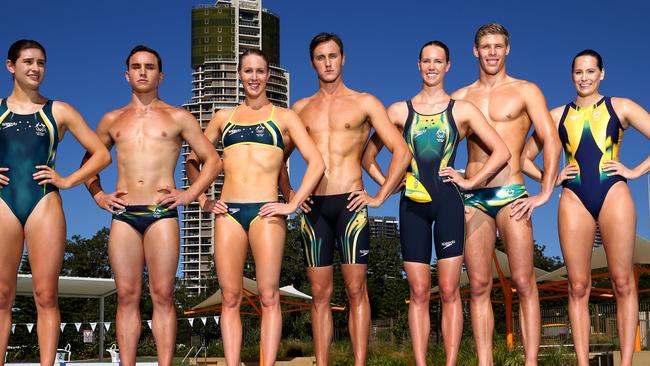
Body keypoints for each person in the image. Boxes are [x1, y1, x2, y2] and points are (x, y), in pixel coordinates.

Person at [362, 40, 510, 366]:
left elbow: (502, 152)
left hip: (448, 203)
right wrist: (388, 187)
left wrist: (471, 182)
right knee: (417, 291)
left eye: (438, 61)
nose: (432, 67)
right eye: (426, 61)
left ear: (448, 66)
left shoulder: (462, 110)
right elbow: (368, 156)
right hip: (412, 206)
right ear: (418, 66)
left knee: (449, 291)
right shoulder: (399, 111)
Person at [185, 49, 324, 366]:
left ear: (268, 75)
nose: (254, 77)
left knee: (269, 295)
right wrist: (204, 199)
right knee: (230, 297)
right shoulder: (224, 117)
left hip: (266, 211)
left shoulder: (285, 117)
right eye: (248, 70)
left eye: (260, 71)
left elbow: (317, 163)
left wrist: (292, 205)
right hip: (229, 212)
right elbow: (194, 161)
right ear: (239, 74)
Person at [83, 45, 219, 366]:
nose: (143, 71)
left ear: (161, 74)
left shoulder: (179, 117)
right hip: (124, 215)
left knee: (163, 296)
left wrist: (188, 195)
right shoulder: (111, 119)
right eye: (136, 66)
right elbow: (90, 162)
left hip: (162, 214)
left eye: (150, 66)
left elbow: (212, 161)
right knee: (127, 297)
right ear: (126, 74)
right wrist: (99, 195)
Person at [279, 33, 410, 366]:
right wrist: (291, 194)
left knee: (356, 291)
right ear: (312, 62)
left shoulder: (365, 102)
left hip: (351, 206)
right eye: (321, 57)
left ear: (343, 59)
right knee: (320, 295)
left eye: (333, 56)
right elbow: (277, 158)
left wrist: (380, 195)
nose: (327, 62)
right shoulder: (300, 109)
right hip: (314, 210)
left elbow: (401, 150)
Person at [522, 49, 650, 366]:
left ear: (601, 74)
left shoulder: (620, 107)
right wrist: (549, 179)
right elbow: (524, 158)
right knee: (577, 286)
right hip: (573, 198)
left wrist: (634, 171)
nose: (584, 78)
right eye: (579, 72)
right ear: (571, 75)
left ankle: (625, 363)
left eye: (591, 71)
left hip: (614, 193)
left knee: (622, 282)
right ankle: (582, 362)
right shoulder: (555, 115)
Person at [450, 24, 562, 365]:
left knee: (525, 282)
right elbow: (438, 147)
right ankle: (485, 361)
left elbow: (551, 140)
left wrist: (544, 192)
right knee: (479, 286)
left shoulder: (526, 90)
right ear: (475, 51)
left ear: (508, 49)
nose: (492, 52)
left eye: (498, 46)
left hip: (512, 192)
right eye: (486, 46)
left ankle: (530, 362)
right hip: (473, 198)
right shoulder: (460, 97)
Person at [0, 39, 111, 364]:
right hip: (4, 204)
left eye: (41, 63)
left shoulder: (58, 111)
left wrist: (66, 180)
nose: (36, 68)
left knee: (45, 295)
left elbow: (101, 154)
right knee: (3, 296)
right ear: (11, 66)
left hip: (44, 205)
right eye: (28, 62)